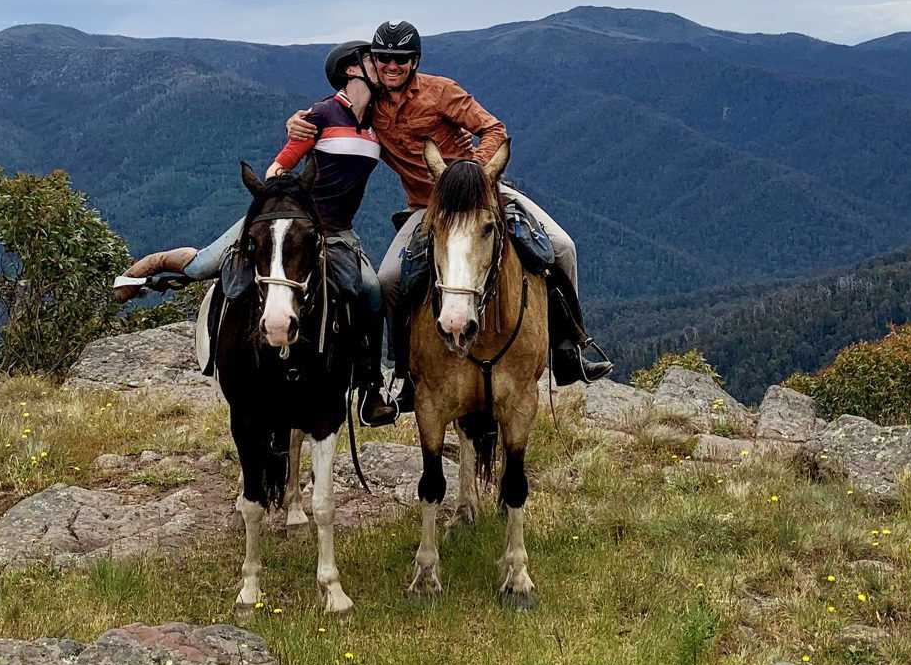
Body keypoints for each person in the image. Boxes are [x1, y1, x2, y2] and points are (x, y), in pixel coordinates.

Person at [286, 21, 613, 413]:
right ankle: (408, 373)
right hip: (426, 206)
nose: (392, 66)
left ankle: (568, 348)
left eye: (402, 59)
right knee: (390, 280)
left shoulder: (441, 91)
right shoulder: (369, 104)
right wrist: (298, 124)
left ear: (415, 61)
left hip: (479, 195)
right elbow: (333, 112)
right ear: (373, 61)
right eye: (385, 58)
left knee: (561, 247)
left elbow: (492, 127)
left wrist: (472, 172)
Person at [119, 41, 397, 426]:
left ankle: (370, 385)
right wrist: (292, 209)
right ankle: (155, 262)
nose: (382, 66)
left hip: (338, 233)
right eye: (373, 60)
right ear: (351, 70)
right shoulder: (320, 114)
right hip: (286, 221)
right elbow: (276, 170)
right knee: (204, 267)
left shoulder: (379, 124)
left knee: (370, 291)